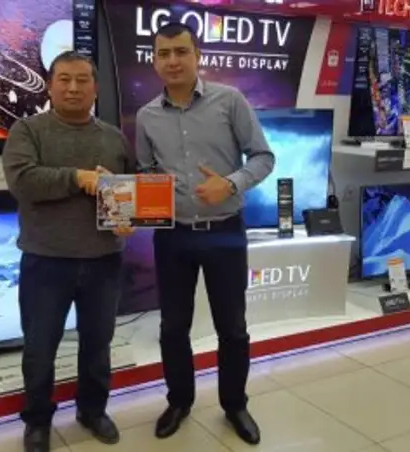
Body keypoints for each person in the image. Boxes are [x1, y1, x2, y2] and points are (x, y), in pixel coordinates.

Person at [135, 23, 275, 445]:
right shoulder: (146, 116)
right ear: (155, 61)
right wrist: (127, 204)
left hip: (225, 231)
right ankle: (179, 401)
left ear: (197, 56)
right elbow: (146, 173)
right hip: (173, 236)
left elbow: (264, 157)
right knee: (173, 326)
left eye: (181, 51)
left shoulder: (229, 101)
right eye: (164, 54)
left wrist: (229, 184)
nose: (173, 61)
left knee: (232, 327)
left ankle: (234, 404)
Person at [2, 51, 134, 452]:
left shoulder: (113, 137)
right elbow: (23, 181)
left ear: (95, 88)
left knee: (98, 344)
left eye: (82, 80)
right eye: (64, 79)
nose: (73, 88)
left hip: (104, 261)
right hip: (46, 261)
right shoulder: (28, 130)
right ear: (50, 85)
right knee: (40, 349)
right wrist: (78, 178)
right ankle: (38, 421)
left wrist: (127, 215)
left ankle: (92, 411)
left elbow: (127, 190)